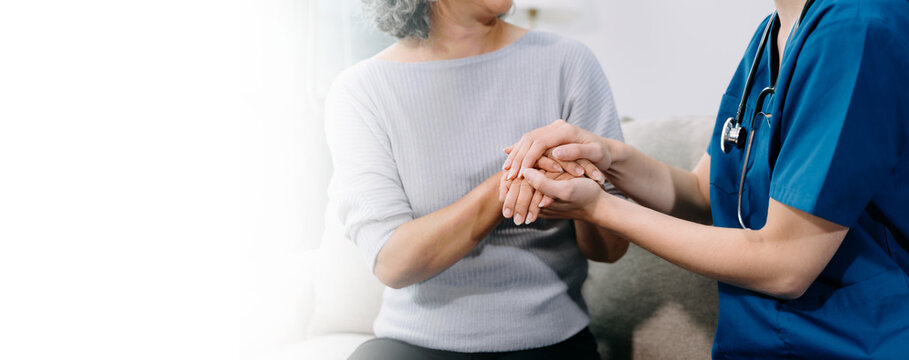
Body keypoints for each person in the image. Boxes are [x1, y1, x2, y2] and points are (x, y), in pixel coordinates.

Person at [502, 0, 909, 358]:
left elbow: (786, 264)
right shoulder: (775, 32)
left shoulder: (857, 28)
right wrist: (608, 156)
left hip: (851, 342)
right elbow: (704, 193)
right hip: (759, 343)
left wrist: (598, 207)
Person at [323, 0, 627, 358]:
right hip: (412, 344)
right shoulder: (361, 90)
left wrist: (582, 192)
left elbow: (609, 249)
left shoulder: (568, 62)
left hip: (550, 341)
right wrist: (510, 183)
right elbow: (393, 262)